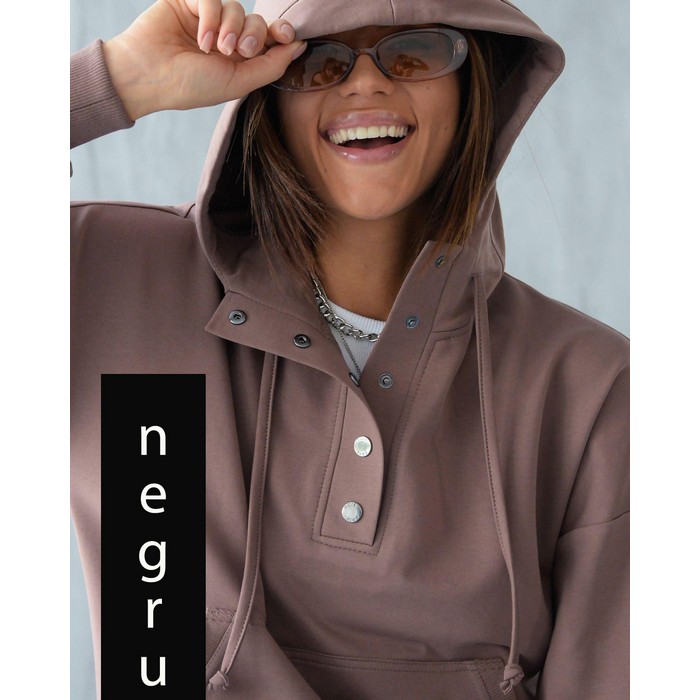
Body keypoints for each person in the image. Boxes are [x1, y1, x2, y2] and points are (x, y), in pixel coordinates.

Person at [70, 0, 629, 697]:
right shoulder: (107, 279)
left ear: (476, 80)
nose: (365, 82)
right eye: (317, 58)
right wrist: (114, 81)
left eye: (417, 48)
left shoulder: (594, 391)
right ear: (262, 91)